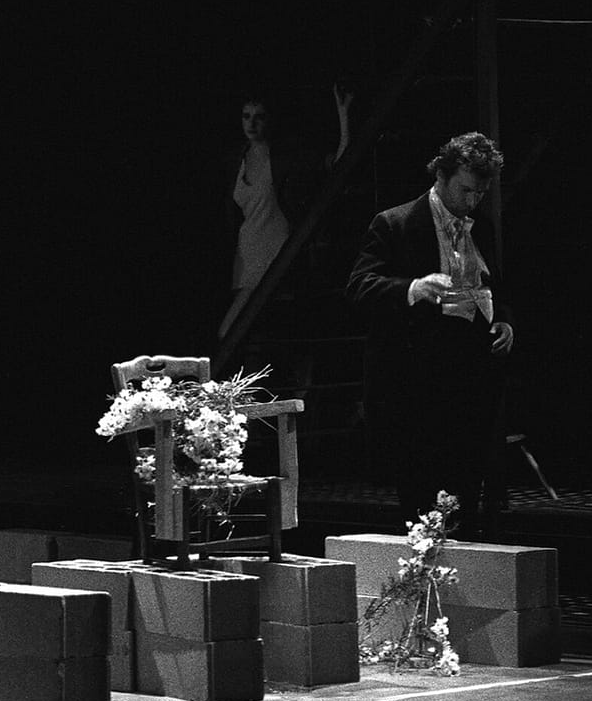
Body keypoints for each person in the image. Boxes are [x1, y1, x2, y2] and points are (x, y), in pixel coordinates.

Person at [347, 132, 514, 531]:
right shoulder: (395, 223)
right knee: (422, 497)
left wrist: (504, 320)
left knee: (466, 490)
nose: (472, 201)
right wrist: (412, 287)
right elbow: (359, 287)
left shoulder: (481, 226)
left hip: (471, 376)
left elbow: (493, 284)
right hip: (418, 379)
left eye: (480, 193)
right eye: (466, 190)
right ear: (441, 175)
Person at [220, 85, 352, 339]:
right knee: (249, 334)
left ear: (269, 120)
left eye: (259, 117)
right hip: (246, 254)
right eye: (246, 116)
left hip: (276, 251)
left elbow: (337, 164)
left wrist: (343, 115)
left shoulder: (285, 157)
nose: (252, 123)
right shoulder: (236, 160)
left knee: (233, 331)